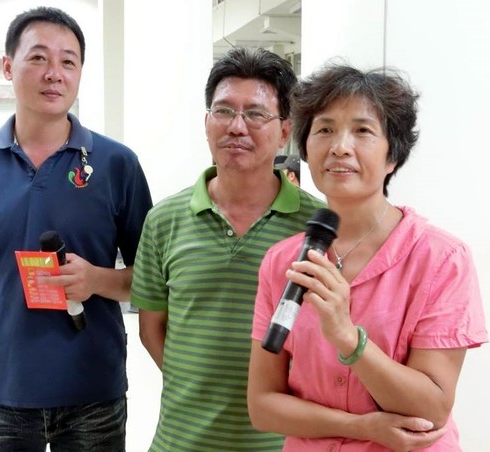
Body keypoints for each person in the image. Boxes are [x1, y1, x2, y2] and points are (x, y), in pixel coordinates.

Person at [0, 7, 152, 452]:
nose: (54, 74)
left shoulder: (117, 165)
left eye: (68, 61)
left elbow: (152, 280)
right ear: (8, 66)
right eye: (39, 58)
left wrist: (96, 280)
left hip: (93, 395)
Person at [248, 64, 488, 451]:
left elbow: (432, 409)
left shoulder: (442, 260)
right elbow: (262, 407)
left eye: (362, 131)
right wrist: (364, 427)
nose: (340, 147)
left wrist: (348, 338)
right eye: (324, 130)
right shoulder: (282, 262)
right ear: (306, 149)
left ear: (393, 156)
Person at [130, 47, 325, 451]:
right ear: (206, 122)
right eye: (223, 111)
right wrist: (195, 388)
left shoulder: (316, 229)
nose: (237, 127)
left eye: (255, 114)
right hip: (180, 442)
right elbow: (151, 329)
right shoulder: (164, 220)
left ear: (285, 131)